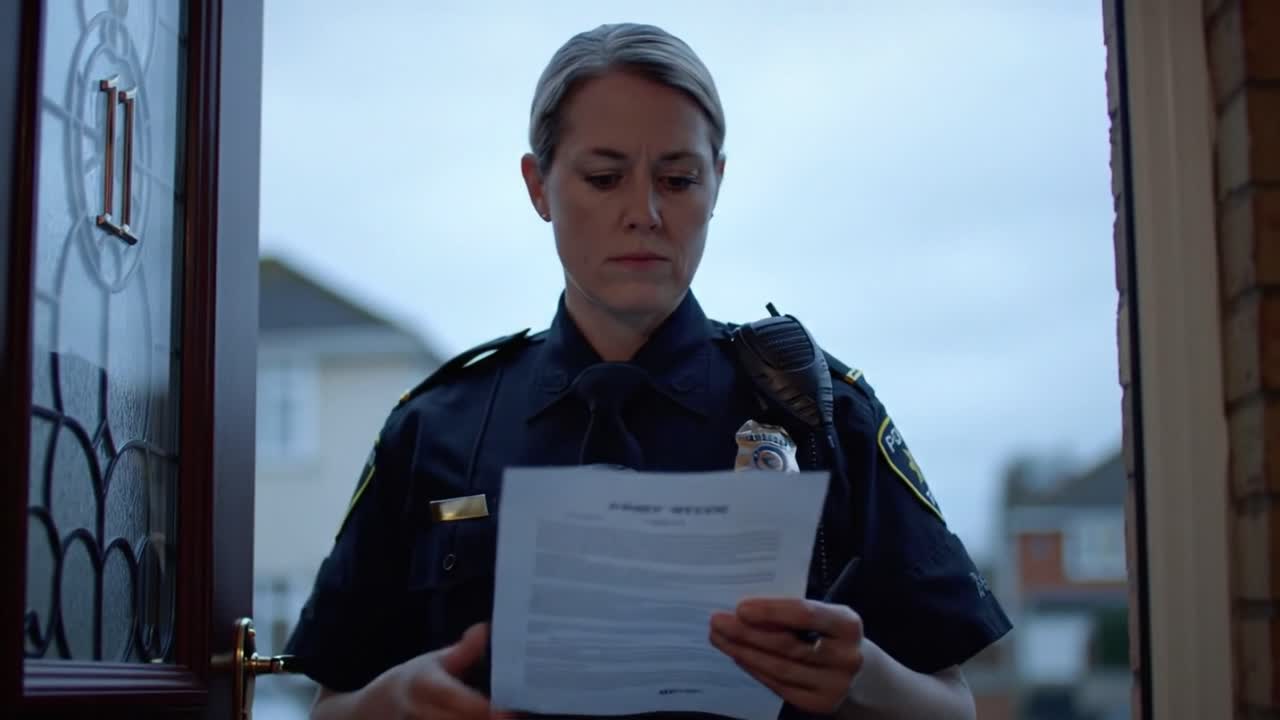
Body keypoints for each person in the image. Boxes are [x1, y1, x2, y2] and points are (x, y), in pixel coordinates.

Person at [286, 22, 1011, 720]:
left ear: (717, 182)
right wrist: (395, 704)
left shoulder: (821, 416)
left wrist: (860, 680)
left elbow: (954, 707)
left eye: (679, 178)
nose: (645, 211)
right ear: (538, 186)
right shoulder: (436, 428)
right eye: (604, 178)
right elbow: (331, 705)